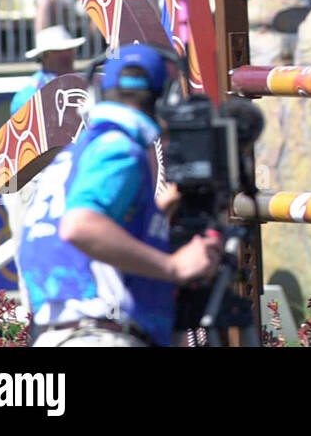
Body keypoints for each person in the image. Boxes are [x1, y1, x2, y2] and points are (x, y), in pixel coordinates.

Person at [18, 44, 222, 346]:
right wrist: (174, 267)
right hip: (100, 335)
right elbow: (80, 225)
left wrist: (157, 210)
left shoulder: (76, 153)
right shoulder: (119, 148)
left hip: (62, 332)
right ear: (166, 99)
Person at [10, 25, 86, 115]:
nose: (65, 55)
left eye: (69, 49)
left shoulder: (84, 82)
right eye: (57, 51)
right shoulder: (31, 92)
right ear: (43, 56)